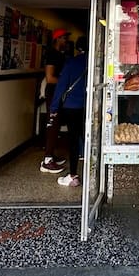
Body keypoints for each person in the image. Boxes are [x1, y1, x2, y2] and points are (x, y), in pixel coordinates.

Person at [49, 35, 89, 187]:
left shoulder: (71, 62)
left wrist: (54, 108)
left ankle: (73, 175)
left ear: (78, 48)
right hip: (90, 106)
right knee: (90, 138)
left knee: (74, 140)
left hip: (72, 106)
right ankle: (97, 175)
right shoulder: (96, 63)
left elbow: (61, 87)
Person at [39, 28, 71, 173]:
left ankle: (51, 155)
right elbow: (50, 78)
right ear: (57, 39)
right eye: (64, 38)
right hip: (53, 94)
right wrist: (65, 83)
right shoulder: (52, 54)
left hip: (59, 94)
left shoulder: (61, 54)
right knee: (52, 125)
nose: (66, 40)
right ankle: (47, 160)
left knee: (56, 125)